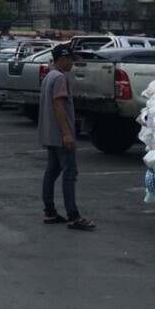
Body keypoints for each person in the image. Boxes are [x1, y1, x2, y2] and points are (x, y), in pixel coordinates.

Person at [38, 45, 95, 230]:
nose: (73, 63)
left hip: (49, 134)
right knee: (69, 174)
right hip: (61, 136)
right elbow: (58, 105)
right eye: (71, 59)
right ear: (63, 58)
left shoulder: (49, 76)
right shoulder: (60, 78)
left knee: (52, 172)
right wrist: (66, 133)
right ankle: (73, 216)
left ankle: (50, 211)